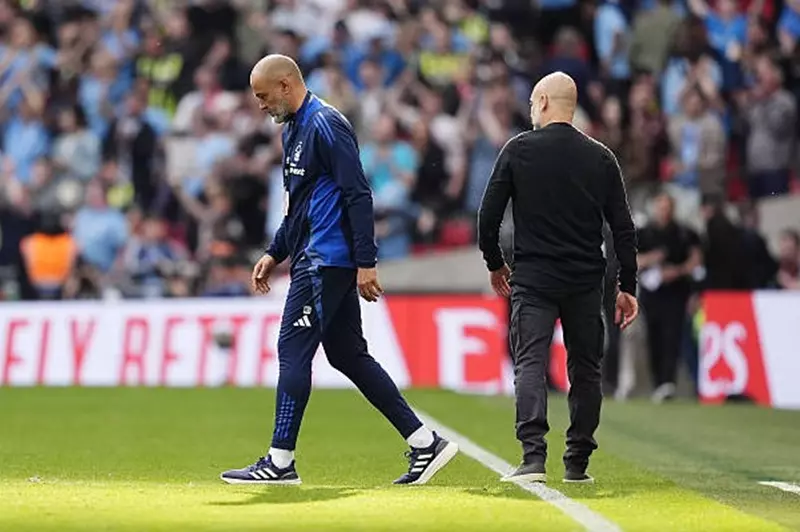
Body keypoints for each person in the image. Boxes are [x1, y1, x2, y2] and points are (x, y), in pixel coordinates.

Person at [220, 55, 458, 486]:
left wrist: (366, 262)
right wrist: (274, 252)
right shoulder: (293, 129)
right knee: (347, 354)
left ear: (286, 85)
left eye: (263, 95)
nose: (260, 105)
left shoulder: (327, 124)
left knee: (292, 349)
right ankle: (426, 443)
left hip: (325, 261)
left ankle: (280, 460)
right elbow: (299, 207)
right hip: (317, 258)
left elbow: (358, 193)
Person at [477, 72, 639, 484]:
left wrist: (495, 263)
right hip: (585, 282)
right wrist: (627, 287)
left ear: (545, 101)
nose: (531, 109)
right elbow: (623, 228)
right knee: (586, 369)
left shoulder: (518, 150)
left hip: (533, 280)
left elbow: (487, 217)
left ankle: (533, 457)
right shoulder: (601, 157)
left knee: (530, 362)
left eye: (533, 101)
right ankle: (577, 463)